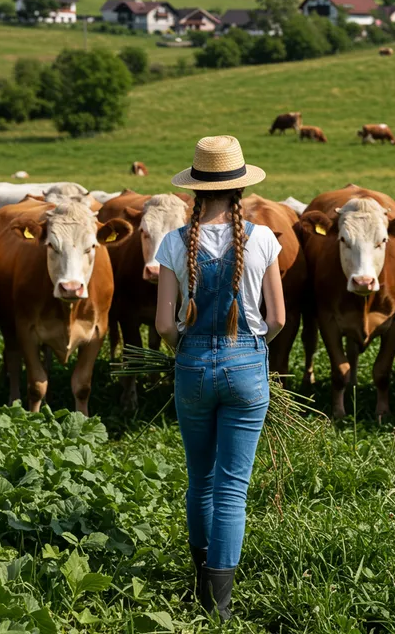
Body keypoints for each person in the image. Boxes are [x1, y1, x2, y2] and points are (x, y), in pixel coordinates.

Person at [155, 135, 285, 621]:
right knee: (233, 488)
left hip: (191, 368)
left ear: (195, 189)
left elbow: (165, 325)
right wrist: (252, 351)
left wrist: (182, 349)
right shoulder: (265, 238)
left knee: (201, 482)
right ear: (239, 190)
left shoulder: (173, 242)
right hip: (247, 366)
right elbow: (278, 318)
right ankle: (219, 608)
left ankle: (197, 578)